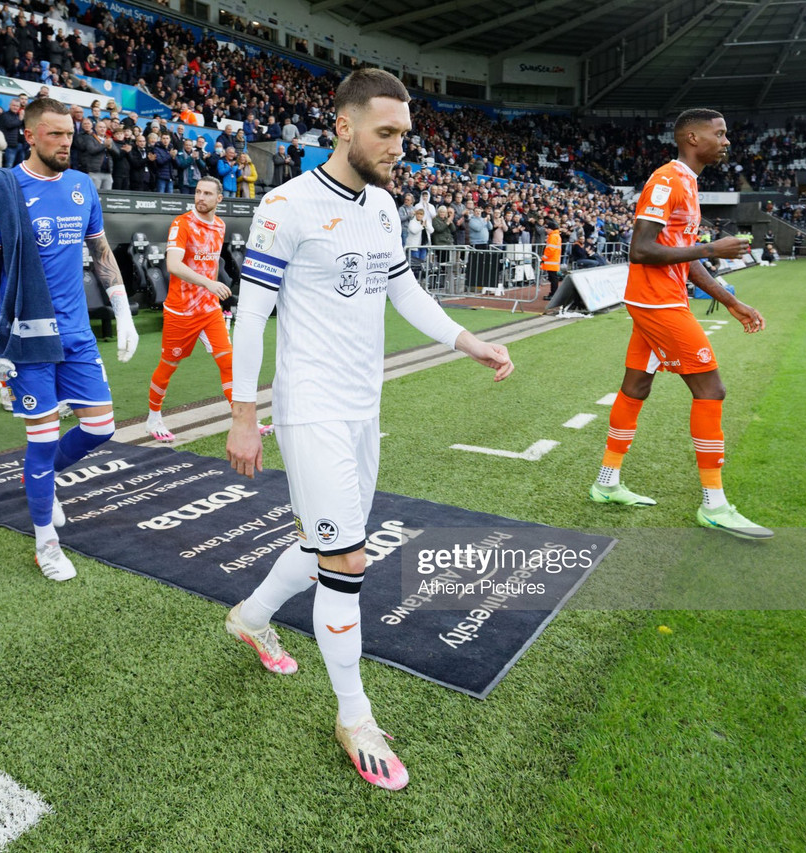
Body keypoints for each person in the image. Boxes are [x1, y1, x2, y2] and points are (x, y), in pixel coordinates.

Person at [223, 69, 514, 791]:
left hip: (364, 406)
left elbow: (404, 290)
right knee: (348, 562)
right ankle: (354, 715)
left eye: (404, 135)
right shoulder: (286, 205)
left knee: (322, 542)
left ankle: (251, 615)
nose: (398, 147)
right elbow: (250, 314)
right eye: (386, 133)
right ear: (343, 127)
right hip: (310, 406)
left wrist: (465, 340)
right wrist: (243, 411)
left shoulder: (384, 206)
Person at [0, 97, 138, 582]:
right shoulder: (2, 189)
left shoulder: (82, 185)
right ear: (31, 135)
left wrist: (122, 311)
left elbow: (101, 253)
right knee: (40, 440)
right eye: (55, 135)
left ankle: (40, 481)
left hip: (78, 333)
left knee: (101, 427)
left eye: (70, 134)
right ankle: (46, 542)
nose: (66, 143)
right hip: (27, 336)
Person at [588, 108, 770, 540]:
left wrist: (731, 301)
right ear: (692, 136)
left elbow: (681, 259)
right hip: (657, 305)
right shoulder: (667, 179)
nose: (726, 141)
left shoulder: (688, 182)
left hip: (659, 300)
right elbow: (642, 250)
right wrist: (710, 250)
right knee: (711, 389)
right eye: (719, 133)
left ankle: (606, 482)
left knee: (636, 387)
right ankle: (714, 506)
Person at [144, 176, 271, 442]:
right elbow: (173, 265)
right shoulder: (182, 224)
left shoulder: (220, 226)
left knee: (228, 361)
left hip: (209, 309)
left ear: (219, 199)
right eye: (198, 192)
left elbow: (208, 265)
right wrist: (209, 284)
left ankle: (244, 420)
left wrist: (210, 290)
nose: (201, 197)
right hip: (182, 311)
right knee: (169, 364)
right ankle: (153, 418)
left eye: (207, 193)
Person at [541, 220, 562, 300]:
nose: (546, 230)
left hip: (551, 260)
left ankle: (553, 294)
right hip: (553, 260)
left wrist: (543, 258)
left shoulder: (553, 236)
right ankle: (553, 293)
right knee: (553, 278)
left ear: (551, 229)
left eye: (547, 228)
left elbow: (550, 249)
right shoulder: (556, 235)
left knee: (553, 278)